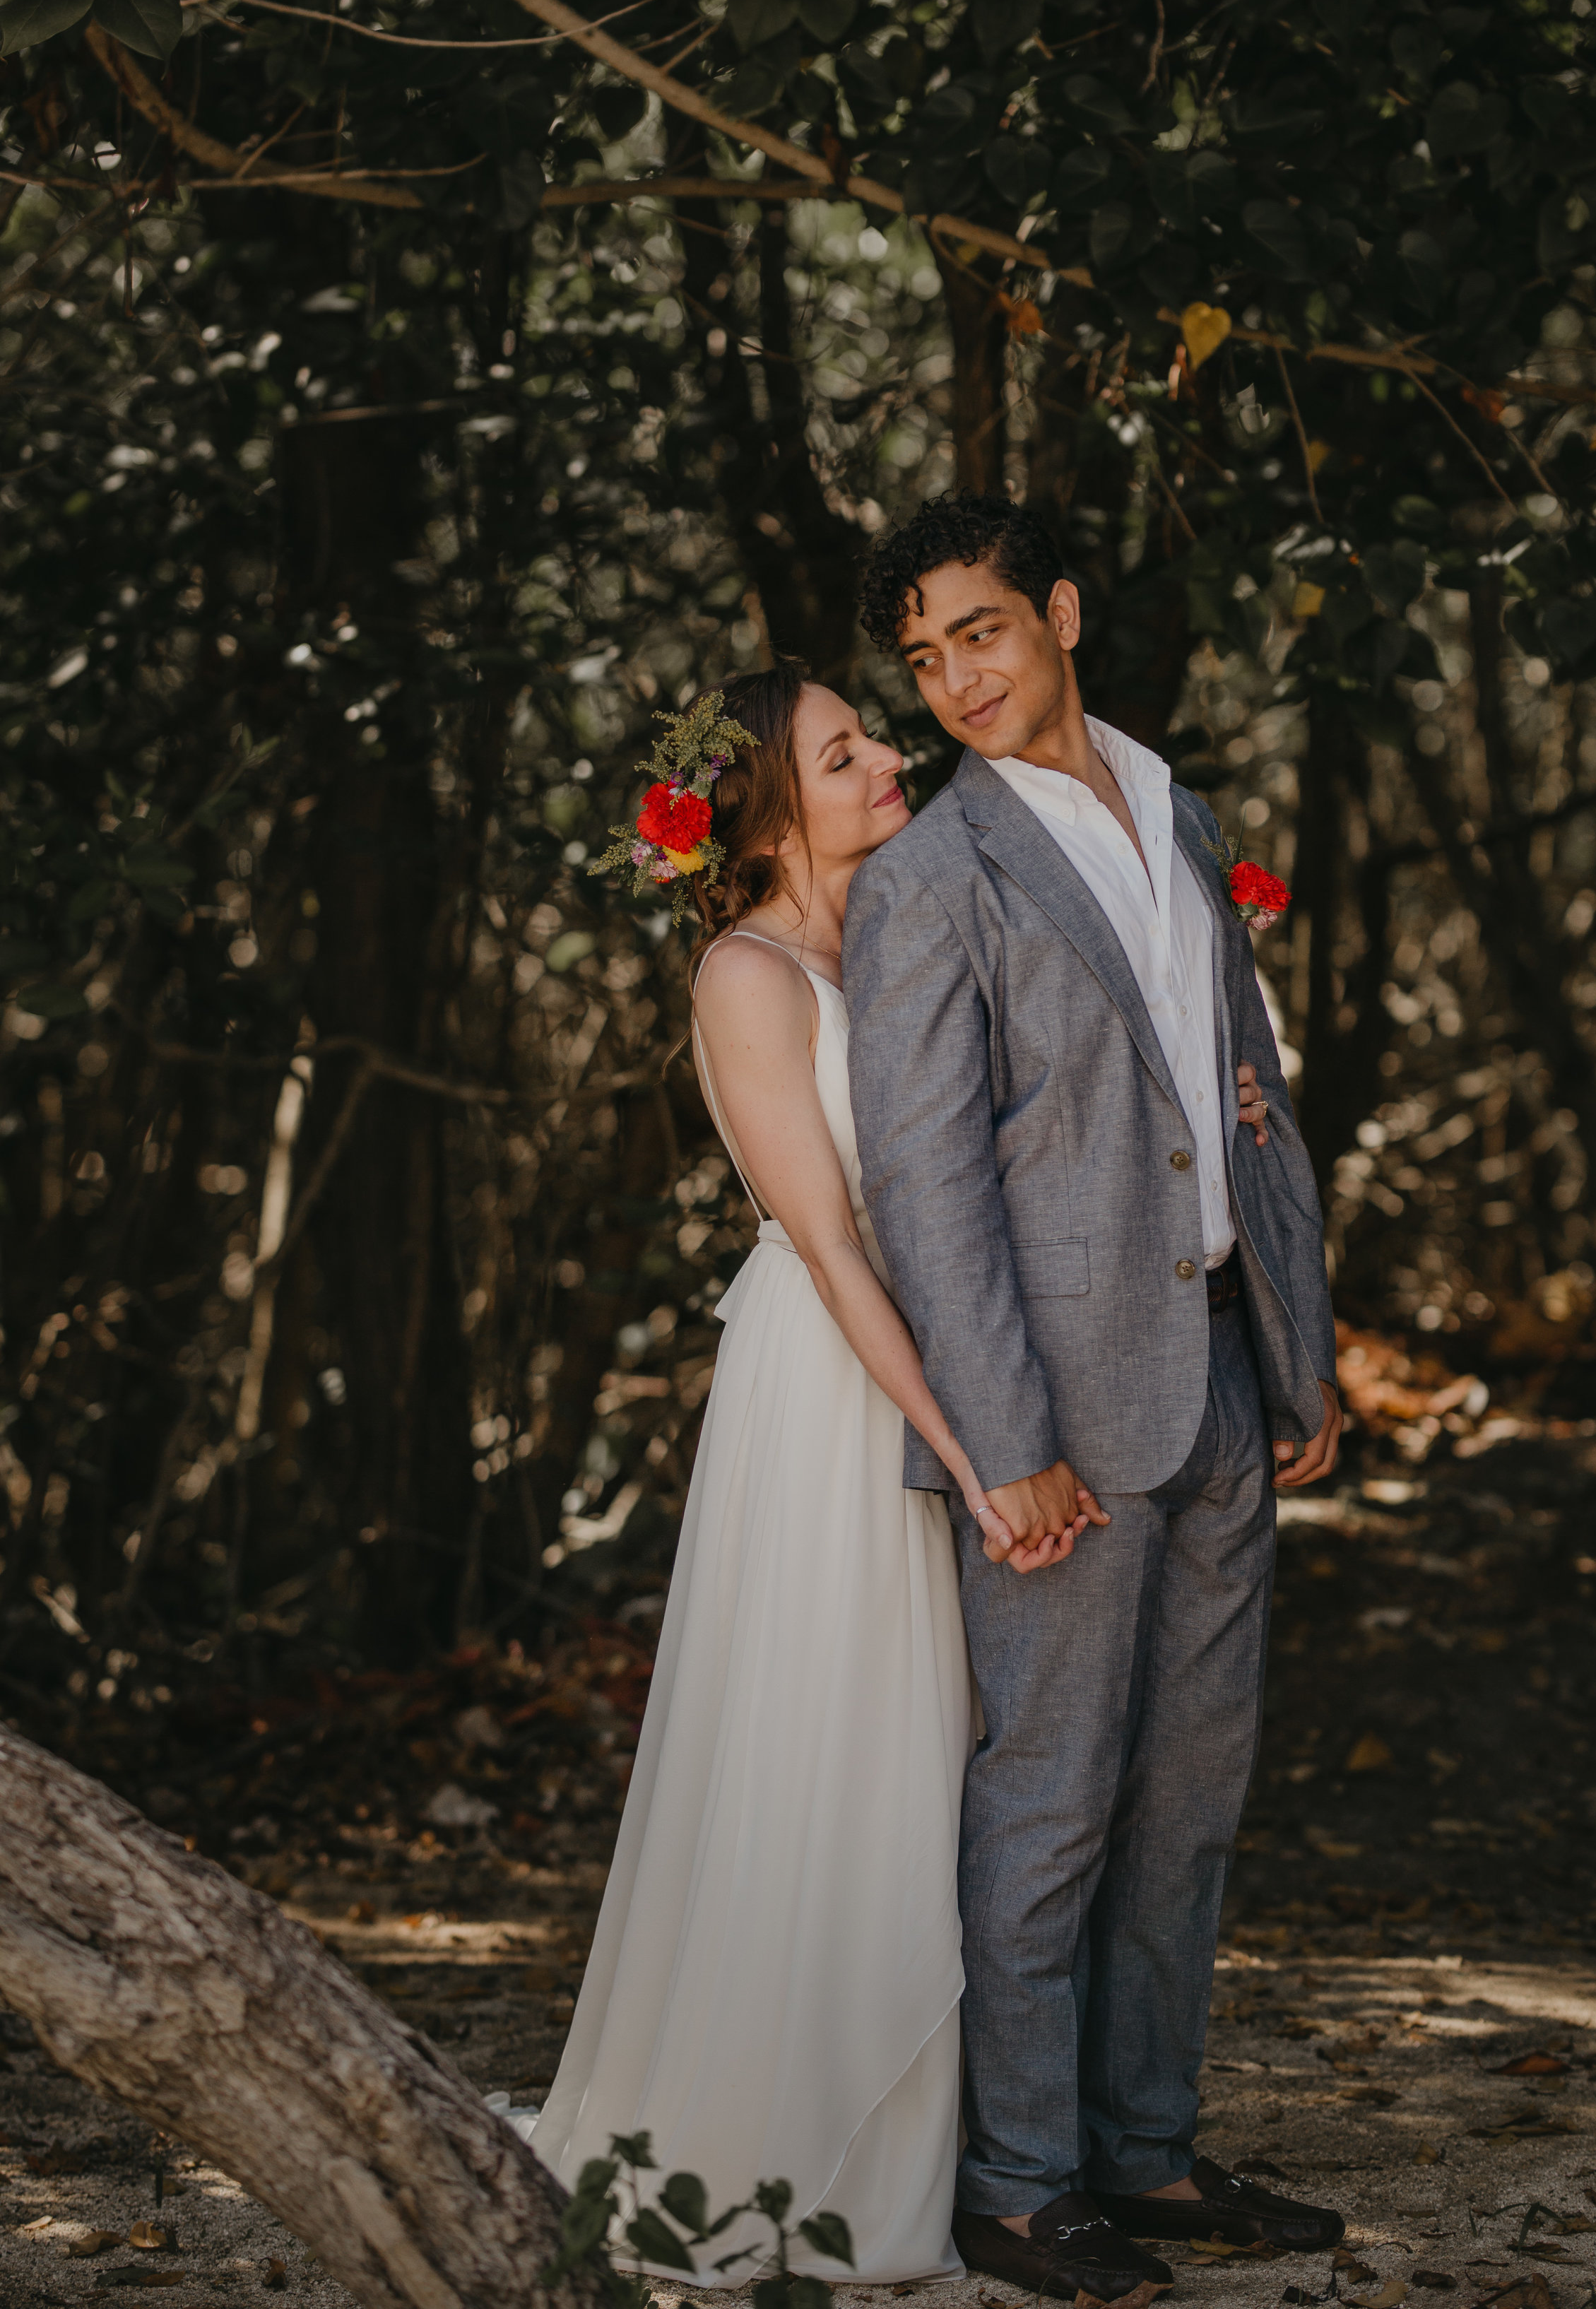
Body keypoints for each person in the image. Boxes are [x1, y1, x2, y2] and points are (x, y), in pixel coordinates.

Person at [500, 660, 1282, 2302]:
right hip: (852, 1403)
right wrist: (977, 1456)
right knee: (849, 1761)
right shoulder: (750, 975)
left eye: (871, 738)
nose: (884, 763)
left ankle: (1021, 2142)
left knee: (976, 1768)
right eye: (840, 754)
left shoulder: (920, 921)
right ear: (767, 819)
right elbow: (836, 1249)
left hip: (991, 1373)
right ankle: (821, 2138)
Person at [842, 492, 1349, 2292]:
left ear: (1056, 612)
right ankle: (1015, 2183)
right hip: (1053, 1410)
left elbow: (1245, 1083)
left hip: (1218, 1368)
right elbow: (925, 1187)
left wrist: (1298, 1336)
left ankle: (1144, 2154)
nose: (954, 678)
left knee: (1190, 1796)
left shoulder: (1179, 811)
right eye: (920, 659)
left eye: (977, 631)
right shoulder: (928, 882)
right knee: (1048, 1800)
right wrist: (1004, 1443)